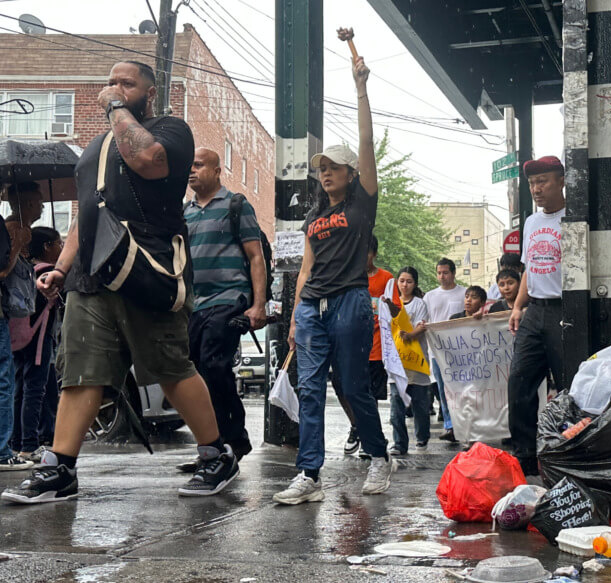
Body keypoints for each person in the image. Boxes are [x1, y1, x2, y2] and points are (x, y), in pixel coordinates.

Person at [2, 61, 237, 504]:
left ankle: (215, 454)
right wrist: (63, 268)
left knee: (168, 368)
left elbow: (146, 160)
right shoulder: (94, 149)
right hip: (91, 276)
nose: (114, 88)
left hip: (146, 266)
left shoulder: (170, 130)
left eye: (126, 83)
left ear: (148, 94)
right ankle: (60, 468)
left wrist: (115, 109)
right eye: (110, 82)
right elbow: (85, 217)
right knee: (80, 372)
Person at [272, 50, 394, 506]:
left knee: (350, 385)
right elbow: (305, 268)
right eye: (320, 169)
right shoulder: (313, 219)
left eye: (332, 168)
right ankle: (309, 474)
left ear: (351, 175)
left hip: (349, 302)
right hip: (312, 306)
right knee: (309, 389)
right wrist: (293, 321)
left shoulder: (361, 204)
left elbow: (365, 142)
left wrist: (361, 88)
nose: (324, 174)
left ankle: (379, 457)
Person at [178, 147, 268, 472]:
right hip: (195, 306)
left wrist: (258, 304)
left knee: (214, 366)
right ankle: (213, 447)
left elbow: (256, 256)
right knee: (195, 375)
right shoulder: (184, 213)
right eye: (189, 166)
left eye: (198, 165)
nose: (191, 171)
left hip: (230, 300)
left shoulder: (236, 205)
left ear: (217, 171)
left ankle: (234, 441)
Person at [507, 156, 567, 476]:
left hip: (565, 310)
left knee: (570, 387)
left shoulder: (574, 218)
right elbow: (530, 268)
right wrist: (517, 306)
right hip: (535, 310)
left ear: (561, 180)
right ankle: (524, 458)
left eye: (543, 181)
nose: (536, 189)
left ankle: (570, 451)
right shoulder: (531, 221)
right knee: (519, 382)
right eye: (532, 183)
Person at [334, 236, 392, 457]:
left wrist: (390, 306)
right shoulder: (345, 278)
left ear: (374, 254)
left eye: (365, 253)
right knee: (343, 388)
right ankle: (356, 425)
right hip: (348, 347)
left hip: (376, 348)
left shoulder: (386, 279)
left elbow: (397, 312)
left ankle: (370, 438)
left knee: (370, 397)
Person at [0, 182, 44, 471]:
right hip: (8, 313)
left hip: (12, 313)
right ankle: (5, 451)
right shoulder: (12, 229)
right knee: (8, 381)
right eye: (37, 202)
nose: (41, 206)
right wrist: (16, 246)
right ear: (26, 203)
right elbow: (3, 270)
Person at [11, 227, 63, 463]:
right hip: (39, 340)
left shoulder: (27, 270)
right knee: (34, 392)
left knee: (20, 390)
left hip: (20, 340)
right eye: (58, 244)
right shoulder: (48, 274)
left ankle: (17, 442)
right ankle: (29, 445)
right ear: (46, 247)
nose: (61, 248)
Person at [385, 266, 430, 456]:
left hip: (416, 362)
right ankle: (399, 444)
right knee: (396, 405)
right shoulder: (390, 303)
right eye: (401, 281)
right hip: (397, 364)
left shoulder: (420, 304)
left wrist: (410, 335)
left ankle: (422, 437)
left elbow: (422, 326)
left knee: (420, 404)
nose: (405, 285)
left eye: (409, 281)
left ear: (415, 284)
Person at [423, 258, 466, 443]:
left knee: (461, 389)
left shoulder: (464, 293)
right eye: (439, 273)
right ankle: (449, 425)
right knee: (443, 390)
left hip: (460, 351)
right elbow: (423, 321)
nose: (442, 276)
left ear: (453, 273)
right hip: (437, 351)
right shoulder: (430, 296)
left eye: (445, 273)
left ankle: (464, 425)